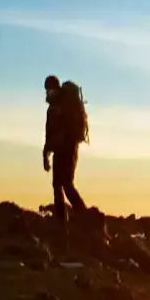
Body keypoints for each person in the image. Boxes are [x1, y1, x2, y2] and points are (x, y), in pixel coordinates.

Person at [42, 76, 89, 226]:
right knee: (57, 184)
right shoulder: (53, 108)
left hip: (68, 148)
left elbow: (62, 130)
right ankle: (61, 221)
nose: (48, 93)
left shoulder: (64, 106)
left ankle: (85, 217)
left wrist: (51, 149)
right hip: (59, 150)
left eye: (49, 90)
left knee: (66, 184)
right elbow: (49, 133)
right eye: (47, 90)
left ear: (55, 89)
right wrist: (46, 154)